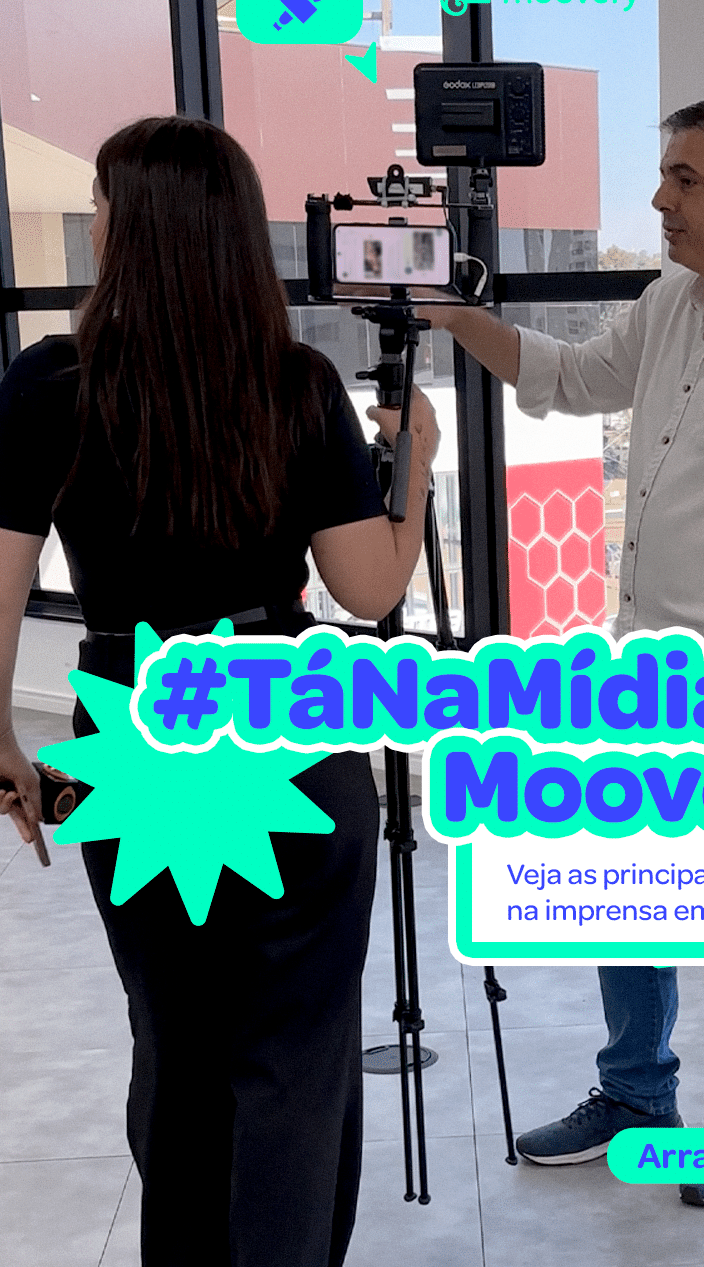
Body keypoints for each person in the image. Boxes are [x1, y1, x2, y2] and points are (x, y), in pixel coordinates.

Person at [424, 94, 704, 1205]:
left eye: (684, 178)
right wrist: (447, 312)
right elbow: (573, 378)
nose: (659, 199)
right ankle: (635, 1093)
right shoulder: (673, 299)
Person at [0, 116, 439, 1267]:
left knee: (179, 1043)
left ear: (136, 229)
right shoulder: (296, 384)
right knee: (296, 1057)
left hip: (133, 731)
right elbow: (371, 589)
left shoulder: (50, 382)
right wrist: (418, 463)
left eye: (102, 205)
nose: (93, 224)